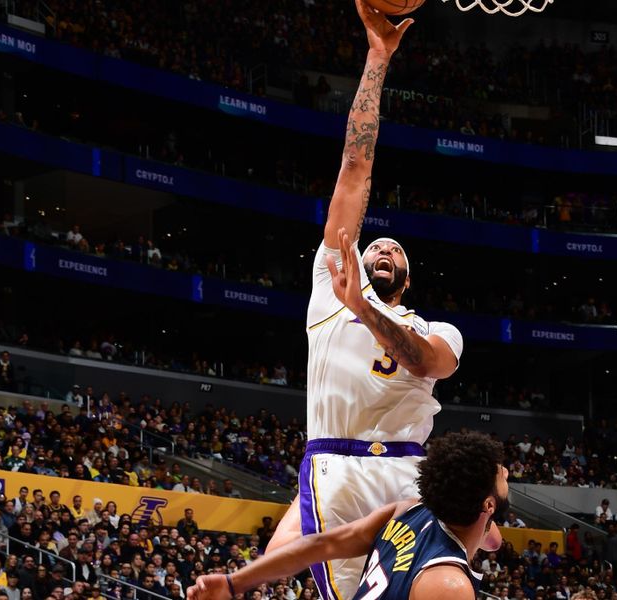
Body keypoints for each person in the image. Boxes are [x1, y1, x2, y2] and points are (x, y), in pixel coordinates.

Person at [266, 3, 466, 600]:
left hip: (409, 475)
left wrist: (367, 311)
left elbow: (426, 363)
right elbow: (356, 166)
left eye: (392, 251)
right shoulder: (331, 284)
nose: (380, 250)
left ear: (406, 275)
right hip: (335, 465)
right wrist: (378, 59)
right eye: (372, 245)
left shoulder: (436, 328)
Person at [188, 433, 507, 600]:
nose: (506, 471)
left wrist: (232, 584)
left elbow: (322, 545)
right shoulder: (449, 585)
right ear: (488, 506)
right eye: (500, 474)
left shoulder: (409, 509)